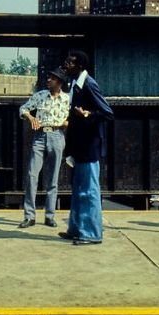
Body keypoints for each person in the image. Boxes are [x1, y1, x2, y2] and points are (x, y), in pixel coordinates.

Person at [59, 50, 114, 245]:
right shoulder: (75, 84)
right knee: (78, 189)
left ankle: (91, 234)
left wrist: (88, 115)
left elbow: (107, 113)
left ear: (80, 66)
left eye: (70, 62)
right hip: (79, 146)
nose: (66, 65)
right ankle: (76, 229)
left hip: (89, 147)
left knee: (89, 191)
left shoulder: (89, 84)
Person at [17, 67, 71, 229]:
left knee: (53, 178)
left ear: (60, 82)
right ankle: (29, 216)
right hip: (40, 136)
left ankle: (49, 215)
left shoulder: (67, 99)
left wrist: (66, 123)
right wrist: (30, 117)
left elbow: (74, 117)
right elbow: (23, 109)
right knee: (32, 175)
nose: (49, 80)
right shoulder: (40, 96)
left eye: (52, 78)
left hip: (57, 135)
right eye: (49, 78)